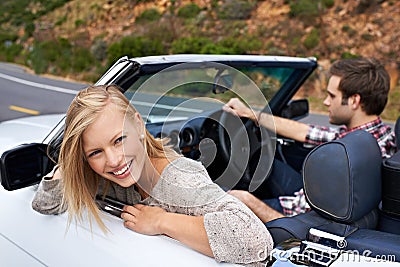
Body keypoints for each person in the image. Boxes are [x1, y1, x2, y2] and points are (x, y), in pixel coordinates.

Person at [31, 85, 272, 266]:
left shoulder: (178, 178)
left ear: (138, 126)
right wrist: (70, 165)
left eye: (119, 140)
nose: (114, 160)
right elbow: (44, 204)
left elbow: (254, 239)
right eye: (96, 152)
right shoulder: (98, 175)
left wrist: (160, 221)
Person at [223, 57, 397, 222]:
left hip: (298, 215)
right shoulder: (374, 136)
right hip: (307, 197)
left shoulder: (348, 163)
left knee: (228, 206)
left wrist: (248, 201)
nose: (326, 102)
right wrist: (251, 114)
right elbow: (309, 132)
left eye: (332, 96)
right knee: (264, 159)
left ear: (354, 101)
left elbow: (303, 225)